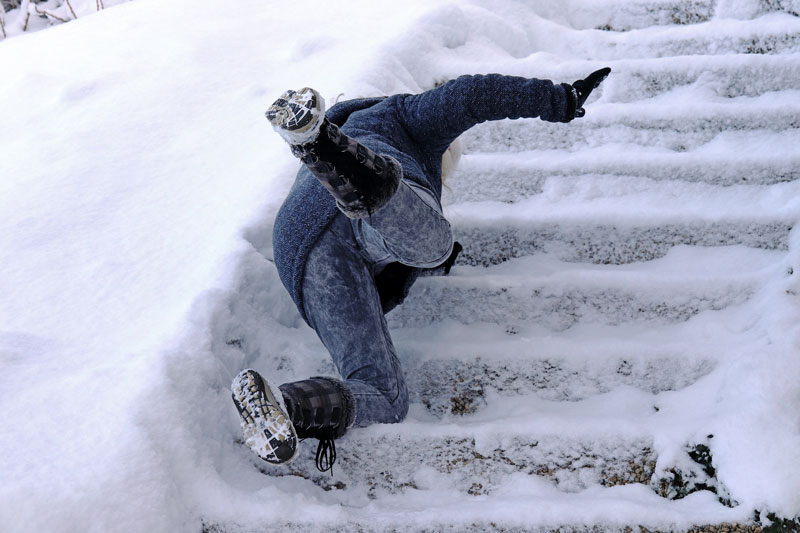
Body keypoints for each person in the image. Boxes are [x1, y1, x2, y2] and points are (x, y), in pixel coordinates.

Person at [231, 68, 612, 473]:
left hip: (298, 245)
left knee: (386, 396)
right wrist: (560, 99)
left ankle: (288, 407)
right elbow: (471, 96)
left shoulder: (342, 155)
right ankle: (362, 175)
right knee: (433, 244)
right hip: (353, 214)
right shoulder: (400, 115)